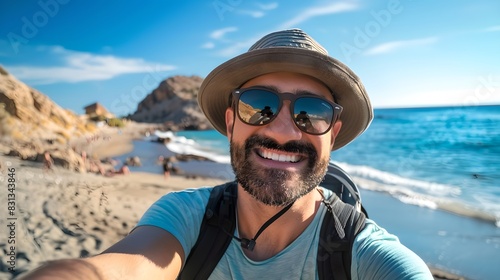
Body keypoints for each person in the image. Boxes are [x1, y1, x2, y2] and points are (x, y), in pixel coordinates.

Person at [22, 29, 433, 279]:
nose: (283, 129)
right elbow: (116, 269)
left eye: (311, 112)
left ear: (334, 133)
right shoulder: (184, 219)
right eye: (260, 105)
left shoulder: (360, 251)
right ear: (232, 120)